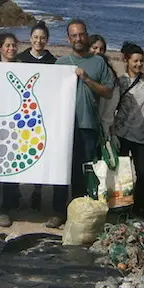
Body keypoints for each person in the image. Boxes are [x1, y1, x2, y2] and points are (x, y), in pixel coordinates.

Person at [49, 20, 115, 228]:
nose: (78, 39)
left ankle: (76, 212)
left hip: (88, 125)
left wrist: (86, 79)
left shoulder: (98, 63)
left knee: (82, 171)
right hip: (64, 126)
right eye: (74, 36)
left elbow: (108, 91)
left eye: (81, 35)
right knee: (61, 170)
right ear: (68, 39)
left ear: (86, 36)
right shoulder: (60, 64)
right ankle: (58, 212)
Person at [17, 21, 57, 211]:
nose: (38, 41)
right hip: (22, 116)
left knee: (38, 154)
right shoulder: (20, 58)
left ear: (47, 40)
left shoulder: (53, 61)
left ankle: (37, 191)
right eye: (35, 37)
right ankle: (16, 192)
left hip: (43, 114)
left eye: (42, 38)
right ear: (30, 38)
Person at [112, 42, 144, 216]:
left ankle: (139, 206)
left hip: (142, 135)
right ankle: (121, 207)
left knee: (143, 174)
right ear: (127, 60)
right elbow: (111, 104)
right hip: (121, 133)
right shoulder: (120, 82)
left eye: (141, 61)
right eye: (135, 61)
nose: (138, 64)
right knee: (121, 174)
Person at [0, 33, 24, 227]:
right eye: (7, 45)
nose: (11, 49)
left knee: (10, 168)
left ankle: (6, 208)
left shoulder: (23, 69)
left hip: (14, 125)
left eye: (13, 45)